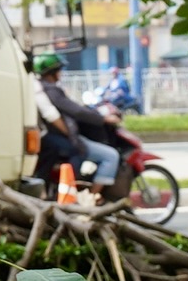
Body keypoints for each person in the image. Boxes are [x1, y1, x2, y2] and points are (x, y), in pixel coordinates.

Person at [33, 54, 122, 195]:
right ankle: (92, 196)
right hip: (57, 138)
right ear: (52, 73)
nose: (60, 73)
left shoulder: (44, 89)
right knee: (110, 155)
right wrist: (103, 119)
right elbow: (76, 111)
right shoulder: (51, 91)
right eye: (59, 70)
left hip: (54, 137)